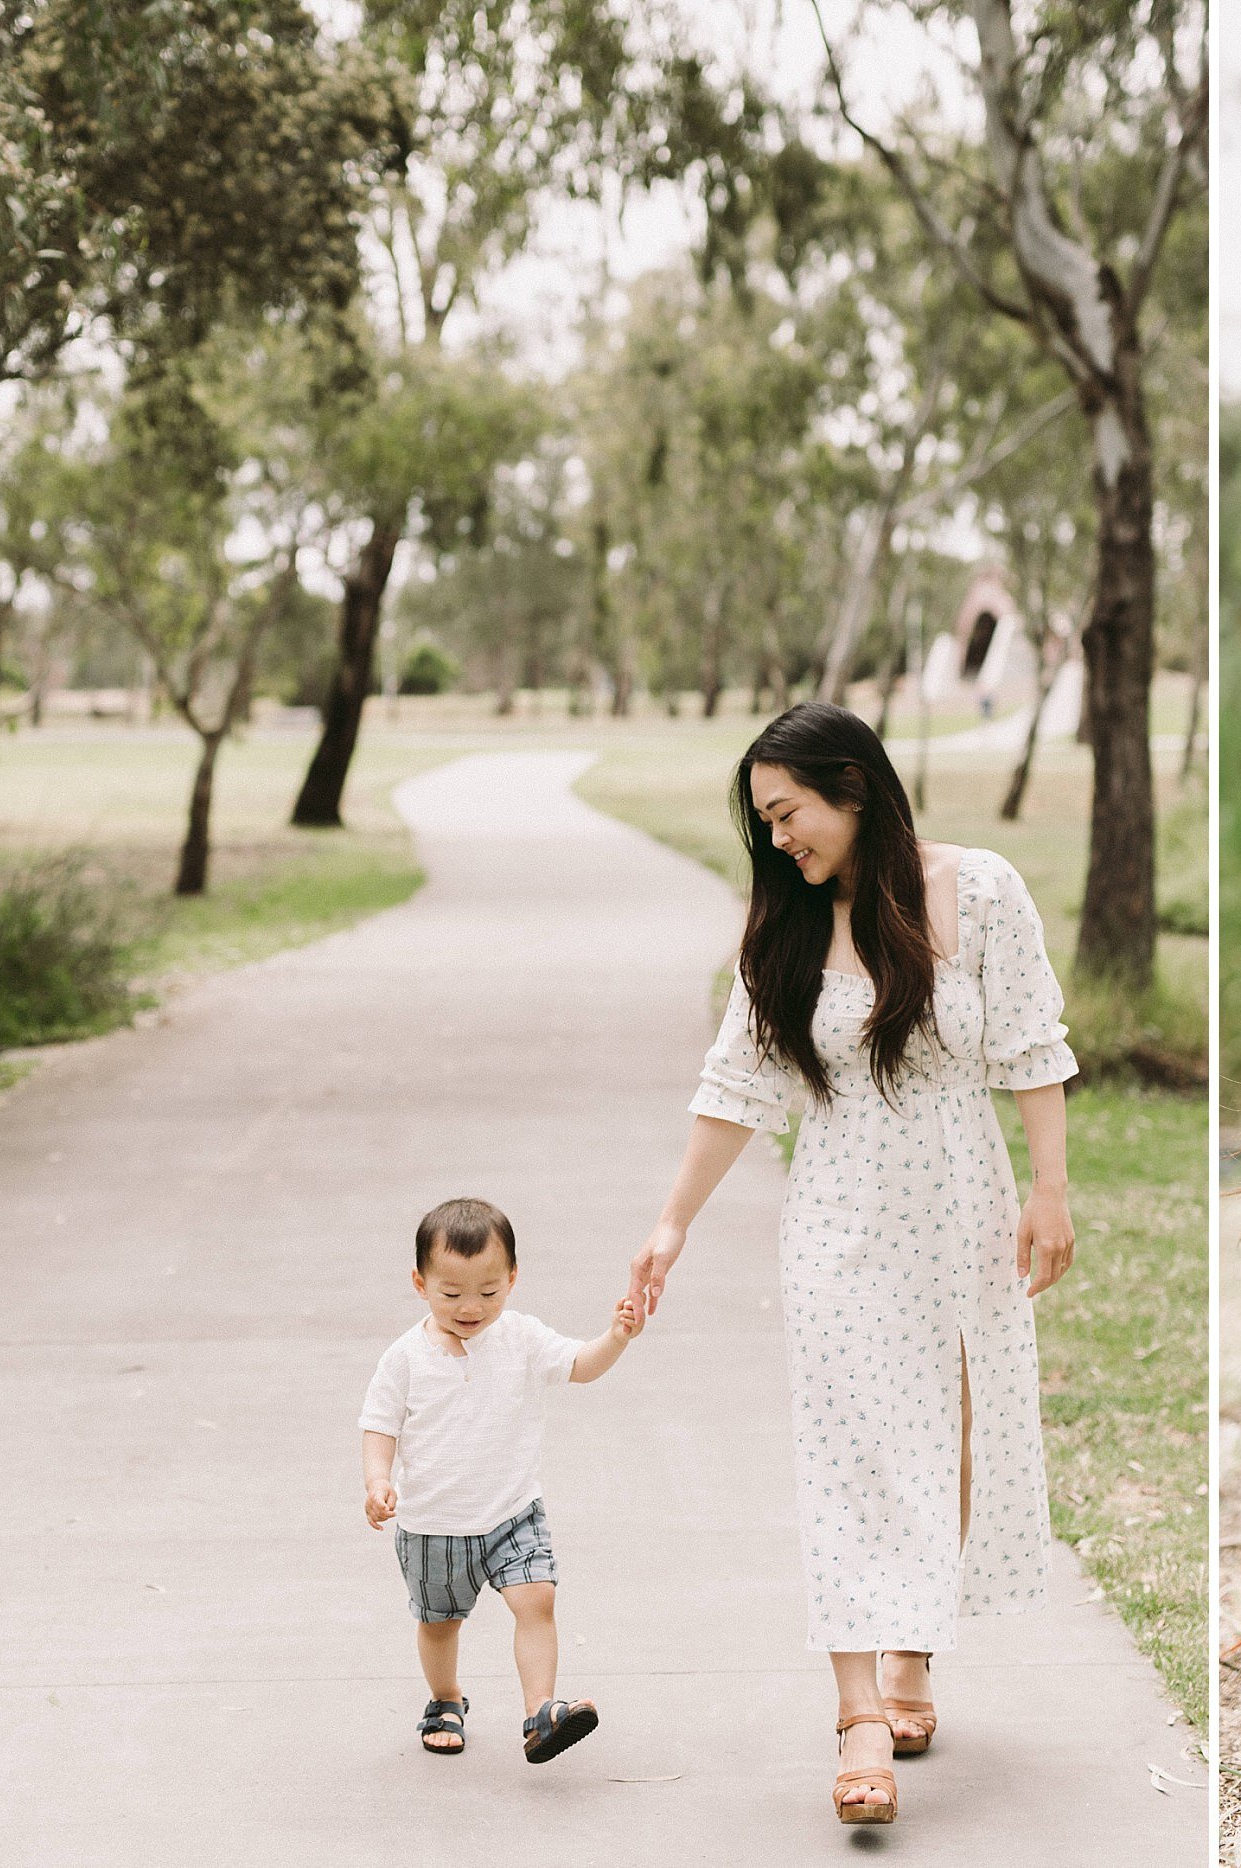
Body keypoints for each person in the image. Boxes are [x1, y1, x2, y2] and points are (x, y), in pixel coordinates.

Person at [624, 701, 1079, 1828]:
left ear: (855, 787)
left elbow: (1029, 1039)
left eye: (790, 812)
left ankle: (913, 1659)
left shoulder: (978, 890)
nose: (779, 839)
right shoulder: (780, 928)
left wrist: (1050, 1185)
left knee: (950, 1429)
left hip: (961, 1201)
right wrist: (672, 1220)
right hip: (836, 1214)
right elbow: (738, 1082)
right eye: (764, 822)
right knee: (848, 1447)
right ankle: (858, 1714)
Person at [359, 1195, 642, 1763]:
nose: (471, 1307)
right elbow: (378, 1425)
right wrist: (377, 1481)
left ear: (512, 1278)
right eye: (452, 1293)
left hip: (514, 1512)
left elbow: (580, 1366)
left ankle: (541, 1712)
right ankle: (444, 1699)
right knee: (440, 1623)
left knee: (537, 1600)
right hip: (434, 1525)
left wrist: (615, 1337)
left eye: (489, 1292)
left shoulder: (522, 1337)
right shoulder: (405, 1358)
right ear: (420, 1283)